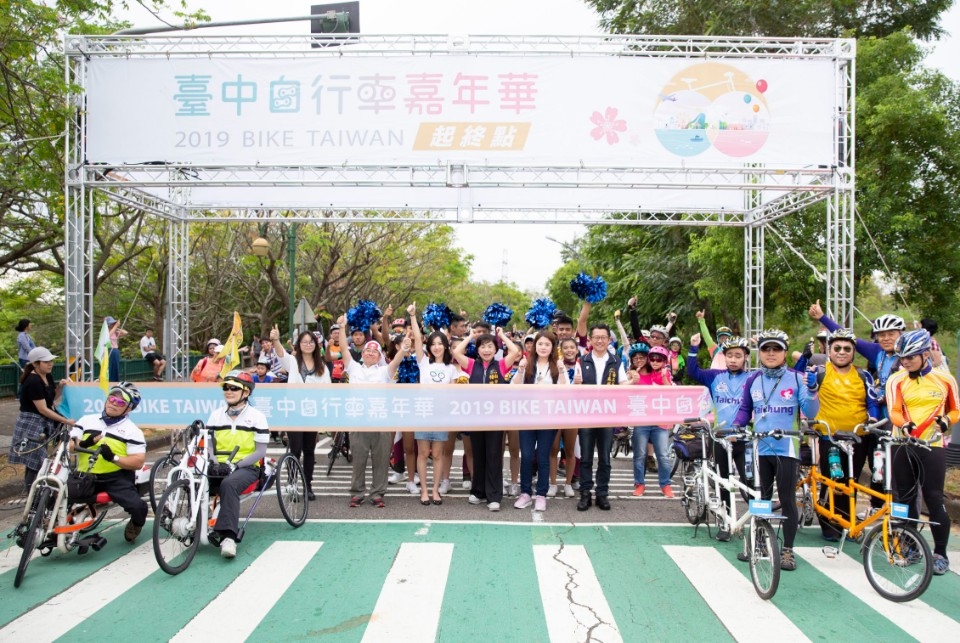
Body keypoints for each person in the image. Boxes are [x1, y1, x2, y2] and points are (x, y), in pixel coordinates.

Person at [733, 329, 819, 572]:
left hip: (787, 449)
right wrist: (736, 427)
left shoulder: (797, 377)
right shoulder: (753, 379)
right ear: (759, 352)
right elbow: (744, 409)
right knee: (760, 497)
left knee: (788, 500)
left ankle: (788, 550)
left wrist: (812, 390)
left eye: (776, 349)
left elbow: (810, 412)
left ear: (784, 352)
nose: (771, 353)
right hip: (761, 448)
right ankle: (759, 542)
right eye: (766, 349)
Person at [885, 329, 958, 575]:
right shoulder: (896, 379)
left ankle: (940, 553)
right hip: (903, 444)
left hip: (932, 445)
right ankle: (910, 546)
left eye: (911, 357)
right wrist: (902, 424)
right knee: (904, 499)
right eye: (902, 358)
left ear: (925, 353)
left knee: (934, 498)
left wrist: (947, 420)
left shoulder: (945, 379)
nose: (905, 362)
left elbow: (955, 410)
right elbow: (893, 411)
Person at [806, 328, 881, 541]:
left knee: (851, 481)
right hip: (829, 437)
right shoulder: (820, 372)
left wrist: (873, 419)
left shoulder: (862, 375)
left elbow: (872, 402)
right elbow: (808, 394)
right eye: (837, 348)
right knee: (833, 480)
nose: (841, 352)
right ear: (829, 350)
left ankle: (846, 522)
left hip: (858, 437)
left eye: (846, 349)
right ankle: (829, 524)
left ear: (853, 352)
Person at [686, 334, 751, 541]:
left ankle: (759, 523)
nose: (733, 359)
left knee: (750, 482)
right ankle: (726, 521)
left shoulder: (753, 379)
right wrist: (693, 348)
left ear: (746, 358)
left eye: (738, 356)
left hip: (744, 439)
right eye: (729, 355)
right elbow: (692, 371)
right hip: (719, 438)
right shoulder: (715, 376)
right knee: (724, 481)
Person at [338, 314, 406, 508]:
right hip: (358, 420)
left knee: (381, 459)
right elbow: (343, 348)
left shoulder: (384, 372)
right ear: (362, 353)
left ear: (379, 357)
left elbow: (397, 361)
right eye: (368, 351)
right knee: (358, 459)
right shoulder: (353, 367)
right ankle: (357, 493)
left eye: (374, 352)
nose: (370, 354)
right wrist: (342, 328)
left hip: (381, 421)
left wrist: (405, 348)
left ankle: (378, 493)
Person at [452, 326, 521, 511]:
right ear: (478, 349)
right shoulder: (471, 365)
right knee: (478, 454)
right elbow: (456, 351)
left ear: (495, 349)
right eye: (482, 346)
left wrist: (502, 336)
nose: (486, 350)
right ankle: (478, 492)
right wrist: (470, 337)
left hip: (496, 419)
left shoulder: (501, 365)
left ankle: (494, 496)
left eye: (490, 346)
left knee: (493, 455)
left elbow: (515, 351)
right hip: (475, 418)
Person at [71, 382, 148, 543]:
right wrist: (84, 444)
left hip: (115, 478)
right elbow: (69, 447)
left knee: (139, 508)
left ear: (129, 408)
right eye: (112, 398)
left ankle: (135, 524)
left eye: (120, 402)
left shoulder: (133, 431)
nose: (113, 403)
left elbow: (138, 462)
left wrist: (113, 458)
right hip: (85, 475)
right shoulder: (87, 420)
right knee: (54, 494)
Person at [205, 370, 270, 559]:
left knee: (229, 484)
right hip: (219, 464)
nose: (228, 391)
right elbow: (208, 445)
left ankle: (228, 537)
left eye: (234, 388)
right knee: (189, 478)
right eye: (226, 387)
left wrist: (236, 465)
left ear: (246, 393)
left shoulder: (257, 416)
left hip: (247, 468)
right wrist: (215, 462)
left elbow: (260, 452)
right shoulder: (216, 415)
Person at [511, 331, 568, 512]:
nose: (543, 347)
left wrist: (561, 370)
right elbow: (514, 386)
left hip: (548, 418)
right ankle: (526, 493)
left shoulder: (555, 366)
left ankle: (541, 494)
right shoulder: (527, 364)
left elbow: (565, 389)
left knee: (543, 457)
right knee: (527, 456)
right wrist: (520, 369)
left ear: (553, 348)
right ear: (535, 346)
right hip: (527, 417)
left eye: (547, 344)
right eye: (540, 344)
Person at [272, 325, 330, 500]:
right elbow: (281, 354)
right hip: (294, 412)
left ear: (316, 344)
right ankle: (292, 484)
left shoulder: (322, 367)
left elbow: (327, 390)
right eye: (304, 342)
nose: (308, 344)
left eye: (311, 341)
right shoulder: (293, 362)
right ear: (298, 344)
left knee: (309, 451)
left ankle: (308, 485)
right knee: (295, 449)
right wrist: (275, 339)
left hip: (312, 413)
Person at [574, 323, 628, 512]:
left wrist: (631, 381)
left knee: (605, 458)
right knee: (586, 457)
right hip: (587, 415)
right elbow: (574, 388)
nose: (599, 341)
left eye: (603, 337)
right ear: (590, 340)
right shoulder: (582, 360)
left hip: (607, 415)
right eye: (595, 337)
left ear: (609, 339)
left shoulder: (616, 361)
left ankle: (602, 494)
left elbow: (623, 385)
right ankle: (585, 493)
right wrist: (576, 384)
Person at [409, 303, 458, 505]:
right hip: (423, 414)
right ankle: (425, 492)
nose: (436, 346)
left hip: (441, 416)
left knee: (437, 454)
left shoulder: (451, 369)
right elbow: (418, 339)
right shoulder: (424, 363)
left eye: (440, 343)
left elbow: (452, 395)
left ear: (446, 346)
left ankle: (436, 490)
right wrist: (413, 316)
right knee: (422, 453)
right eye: (433, 343)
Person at [9, 347, 75, 491]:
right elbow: (43, 409)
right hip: (31, 423)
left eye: (51, 360)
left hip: (42, 422)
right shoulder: (32, 381)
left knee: (39, 460)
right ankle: (31, 494)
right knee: (34, 461)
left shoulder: (47, 376)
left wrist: (60, 387)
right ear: (35, 364)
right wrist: (66, 421)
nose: (50, 363)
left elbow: (51, 400)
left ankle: (36, 493)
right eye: (46, 361)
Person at [626, 345, 675, 498]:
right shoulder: (634, 374)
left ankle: (665, 485)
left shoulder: (662, 373)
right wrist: (632, 377)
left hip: (660, 420)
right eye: (636, 358)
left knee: (663, 455)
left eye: (657, 359)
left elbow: (671, 393)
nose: (654, 361)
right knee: (639, 455)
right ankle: (639, 484)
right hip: (641, 420)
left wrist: (666, 380)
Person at [15, 318, 35, 399]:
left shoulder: (27, 335)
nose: (31, 326)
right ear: (26, 326)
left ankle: (25, 394)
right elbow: (27, 348)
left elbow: (33, 346)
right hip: (24, 359)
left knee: (29, 377)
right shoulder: (21, 336)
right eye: (30, 324)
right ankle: (20, 395)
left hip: (30, 358)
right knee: (25, 377)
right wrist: (35, 353)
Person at [106, 316, 127, 383]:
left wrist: (117, 327)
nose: (113, 325)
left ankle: (115, 381)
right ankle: (109, 380)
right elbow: (108, 336)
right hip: (109, 350)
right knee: (109, 366)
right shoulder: (106, 332)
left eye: (113, 323)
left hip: (115, 350)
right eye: (111, 323)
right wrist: (115, 327)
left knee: (115, 366)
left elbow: (125, 332)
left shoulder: (115, 331)